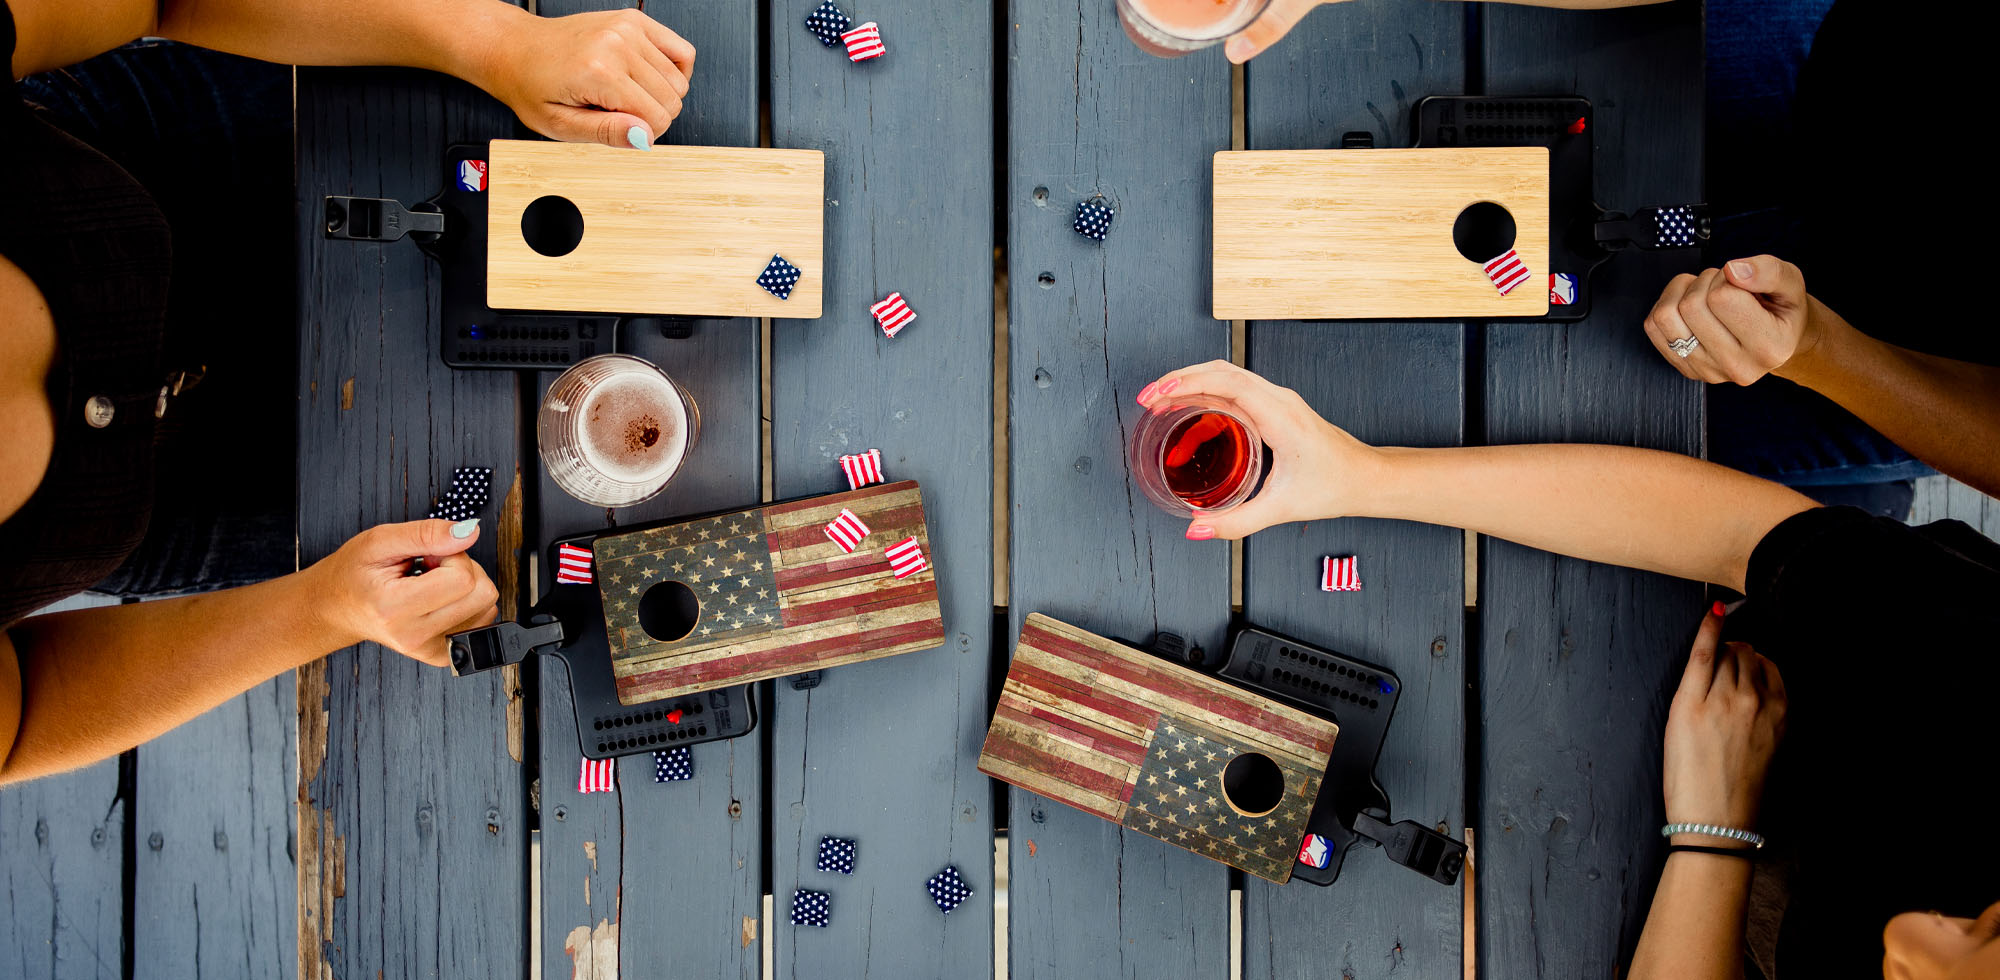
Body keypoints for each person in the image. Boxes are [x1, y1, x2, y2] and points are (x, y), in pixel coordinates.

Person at [1, 0, 696, 782]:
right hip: (194, 495)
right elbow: (18, 714)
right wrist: (324, 609)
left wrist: (498, 42)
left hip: (194, 163)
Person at [1136, 360, 2000, 974]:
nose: (1911, 949)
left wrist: (1715, 832)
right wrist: (1360, 475)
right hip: (1789, 642)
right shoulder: (1959, 662)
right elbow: (1741, 536)